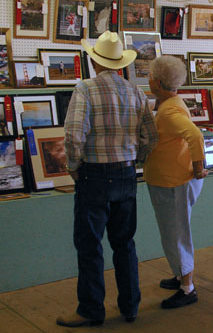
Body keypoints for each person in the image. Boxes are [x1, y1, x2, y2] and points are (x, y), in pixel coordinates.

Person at [57, 31, 158, 327]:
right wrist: (134, 158)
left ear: (94, 61)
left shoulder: (85, 89)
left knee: (90, 246)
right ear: (119, 63)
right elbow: (150, 137)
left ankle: (91, 310)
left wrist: (74, 166)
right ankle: (130, 306)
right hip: (125, 175)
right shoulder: (135, 92)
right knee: (125, 243)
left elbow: (74, 134)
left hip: (94, 177)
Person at [143, 55, 208, 309]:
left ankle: (187, 287)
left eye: (149, 77)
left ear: (157, 82)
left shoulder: (169, 110)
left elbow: (194, 134)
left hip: (175, 182)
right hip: (168, 180)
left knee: (177, 233)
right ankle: (180, 274)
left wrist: (198, 166)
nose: (148, 80)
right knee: (171, 232)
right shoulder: (169, 102)